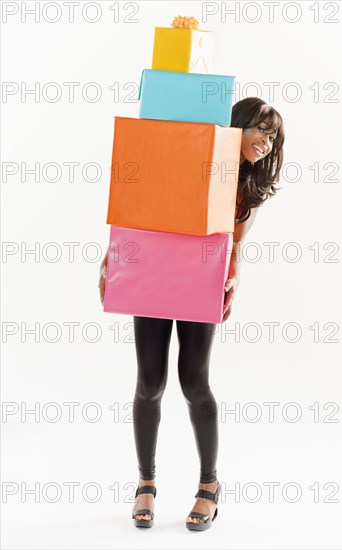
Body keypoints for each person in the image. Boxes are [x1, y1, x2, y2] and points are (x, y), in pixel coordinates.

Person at [98, 97, 285, 530]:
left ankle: (209, 485)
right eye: (260, 129)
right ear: (236, 127)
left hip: (200, 281)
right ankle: (146, 482)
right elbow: (143, 202)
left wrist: (233, 279)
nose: (266, 141)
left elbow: (234, 244)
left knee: (194, 382)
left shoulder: (249, 186)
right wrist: (116, 255)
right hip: (154, 274)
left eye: (273, 136)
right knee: (149, 382)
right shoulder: (191, 158)